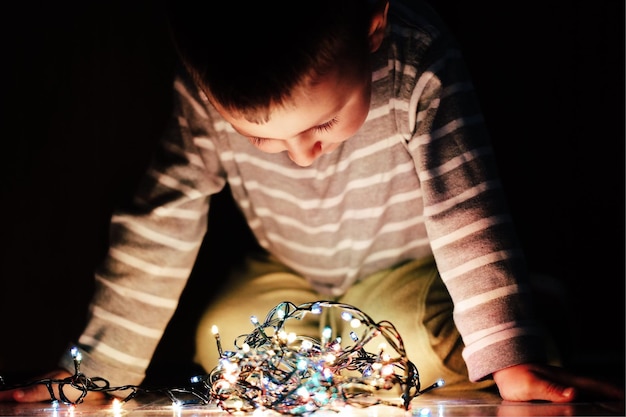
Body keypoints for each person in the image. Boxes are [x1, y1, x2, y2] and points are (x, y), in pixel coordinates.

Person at [0, 0, 622, 405]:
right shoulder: (206, 90)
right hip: (290, 275)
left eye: (320, 124)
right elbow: (164, 216)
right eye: (259, 139)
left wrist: (513, 358)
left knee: (449, 340)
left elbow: (467, 211)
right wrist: (97, 370)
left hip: (406, 276)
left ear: (372, 27)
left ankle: (533, 311)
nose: (300, 156)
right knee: (221, 338)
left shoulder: (418, 65)